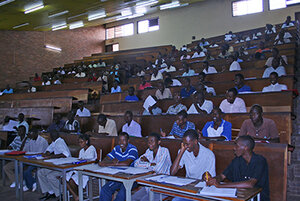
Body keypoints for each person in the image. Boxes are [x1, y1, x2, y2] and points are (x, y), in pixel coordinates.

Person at [207, 136, 270, 201]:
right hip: (239, 196)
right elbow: (222, 176)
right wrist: (214, 179)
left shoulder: (260, 161)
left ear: (246, 148)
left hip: (256, 198)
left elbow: (250, 184)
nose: (234, 148)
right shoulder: (237, 161)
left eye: (237, 146)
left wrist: (220, 186)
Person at [171, 129, 215, 201]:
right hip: (188, 189)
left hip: (202, 191)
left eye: (187, 144)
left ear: (195, 141)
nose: (185, 146)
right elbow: (172, 172)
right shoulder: (184, 151)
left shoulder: (209, 154)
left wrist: (206, 176)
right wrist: (181, 152)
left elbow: (211, 178)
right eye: (184, 144)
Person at [99, 132, 138, 201]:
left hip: (131, 178)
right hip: (118, 177)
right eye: (120, 140)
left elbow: (126, 164)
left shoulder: (132, 149)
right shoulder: (116, 148)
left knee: (121, 194)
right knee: (105, 189)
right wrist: (111, 162)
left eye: (124, 140)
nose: (121, 142)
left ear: (128, 141)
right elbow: (106, 159)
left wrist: (110, 164)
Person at [133, 133, 172, 201]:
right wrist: (150, 164)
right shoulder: (148, 151)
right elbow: (136, 164)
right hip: (148, 185)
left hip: (161, 187)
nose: (149, 143)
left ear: (159, 142)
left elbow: (157, 170)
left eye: (152, 141)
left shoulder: (164, 151)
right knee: (132, 198)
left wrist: (147, 163)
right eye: (148, 141)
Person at [38, 131, 71, 200]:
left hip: (64, 166)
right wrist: (47, 153)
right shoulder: (55, 142)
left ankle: (61, 194)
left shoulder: (60, 142)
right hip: (56, 165)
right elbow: (49, 149)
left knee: (50, 176)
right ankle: (51, 192)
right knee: (40, 172)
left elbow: (65, 154)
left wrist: (52, 156)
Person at [66, 134, 97, 201]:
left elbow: (89, 160)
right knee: (64, 178)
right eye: (79, 142)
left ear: (86, 141)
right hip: (80, 169)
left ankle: (77, 196)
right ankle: (77, 196)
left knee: (71, 181)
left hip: (88, 170)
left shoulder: (92, 148)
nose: (80, 144)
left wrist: (80, 161)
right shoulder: (81, 151)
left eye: (81, 142)